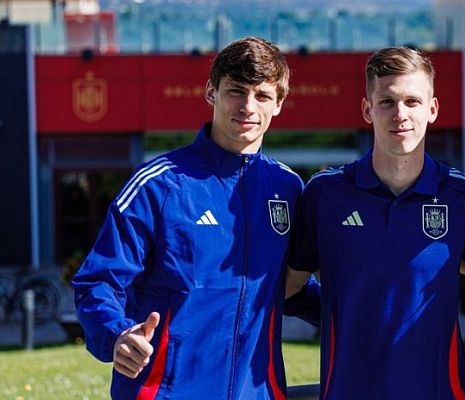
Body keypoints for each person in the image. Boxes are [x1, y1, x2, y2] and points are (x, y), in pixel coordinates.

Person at [72, 37, 303, 399]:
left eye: (262, 95)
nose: (247, 107)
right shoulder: (158, 184)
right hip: (164, 391)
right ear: (211, 92)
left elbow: (292, 287)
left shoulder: (288, 188)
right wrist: (116, 333)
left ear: (279, 103)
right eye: (236, 91)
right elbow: (98, 281)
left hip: (257, 392)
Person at [286, 47, 465, 399]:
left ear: (432, 110)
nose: (400, 114)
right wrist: (341, 311)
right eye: (387, 102)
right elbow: (286, 287)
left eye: (413, 101)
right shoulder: (325, 194)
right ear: (367, 110)